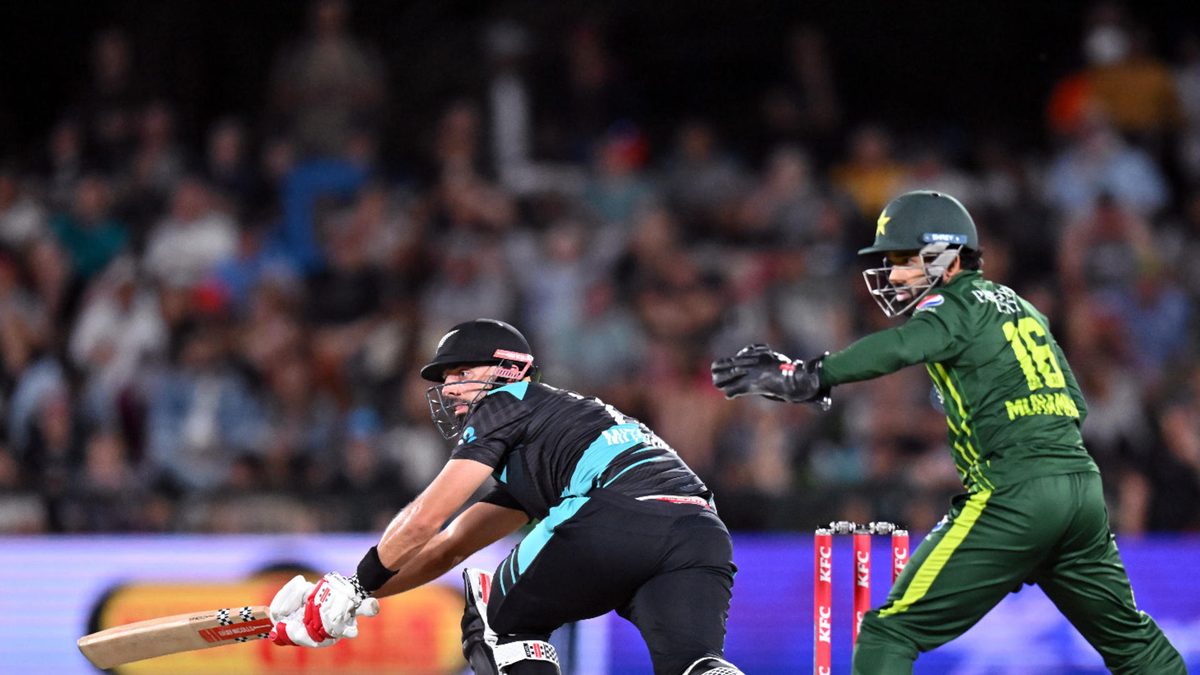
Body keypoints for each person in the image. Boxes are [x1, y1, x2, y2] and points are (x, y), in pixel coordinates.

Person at [711, 190, 1185, 674]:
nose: (894, 275)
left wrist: (808, 375)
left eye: (904, 260)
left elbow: (902, 345)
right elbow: (1074, 406)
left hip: (1015, 493)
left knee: (888, 631)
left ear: (948, 259)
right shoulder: (1023, 308)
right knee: (1135, 645)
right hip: (1080, 490)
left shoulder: (951, 303)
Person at [267, 318, 742, 675]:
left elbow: (426, 518)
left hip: (615, 512)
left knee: (496, 619)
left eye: (460, 372)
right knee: (693, 665)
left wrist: (351, 587)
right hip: (700, 532)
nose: (449, 388)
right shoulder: (549, 440)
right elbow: (450, 545)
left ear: (509, 370)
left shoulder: (506, 402)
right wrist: (358, 592)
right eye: (445, 379)